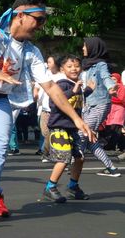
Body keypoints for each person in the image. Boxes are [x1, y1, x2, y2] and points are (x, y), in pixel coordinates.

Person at [0, 0, 95, 228]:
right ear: (20, 15)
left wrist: (76, 118)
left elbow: (50, 87)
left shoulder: (31, 52)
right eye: (38, 19)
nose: (41, 25)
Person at [42, 55, 93, 203]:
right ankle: (50, 187)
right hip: (59, 127)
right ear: (62, 69)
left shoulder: (76, 84)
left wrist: (88, 90)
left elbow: (78, 99)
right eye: (69, 66)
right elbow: (55, 101)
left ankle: (73, 186)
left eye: (76, 66)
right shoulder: (62, 84)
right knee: (63, 158)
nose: (74, 69)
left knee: (80, 157)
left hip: (72, 128)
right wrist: (73, 91)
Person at [80, 37, 121, 177]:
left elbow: (105, 77)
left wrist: (111, 87)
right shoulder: (85, 65)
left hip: (100, 104)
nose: (83, 48)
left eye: (85, 46)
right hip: (87, 106)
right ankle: (111, 168)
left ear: (93, 48)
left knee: (82, 133)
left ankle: (72, 162)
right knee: (90, 140)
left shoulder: (101, 64)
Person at [103, 73, 125, 152]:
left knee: (116, 127)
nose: (113, 81)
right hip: (111, 108)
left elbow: (121, 99)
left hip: (119, 108)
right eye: (111, 79)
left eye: (114, 79)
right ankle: (121, 145)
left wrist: (111, 98)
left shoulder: (121, 87)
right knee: (110, 128)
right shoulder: (109, 87)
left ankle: (111, 145)